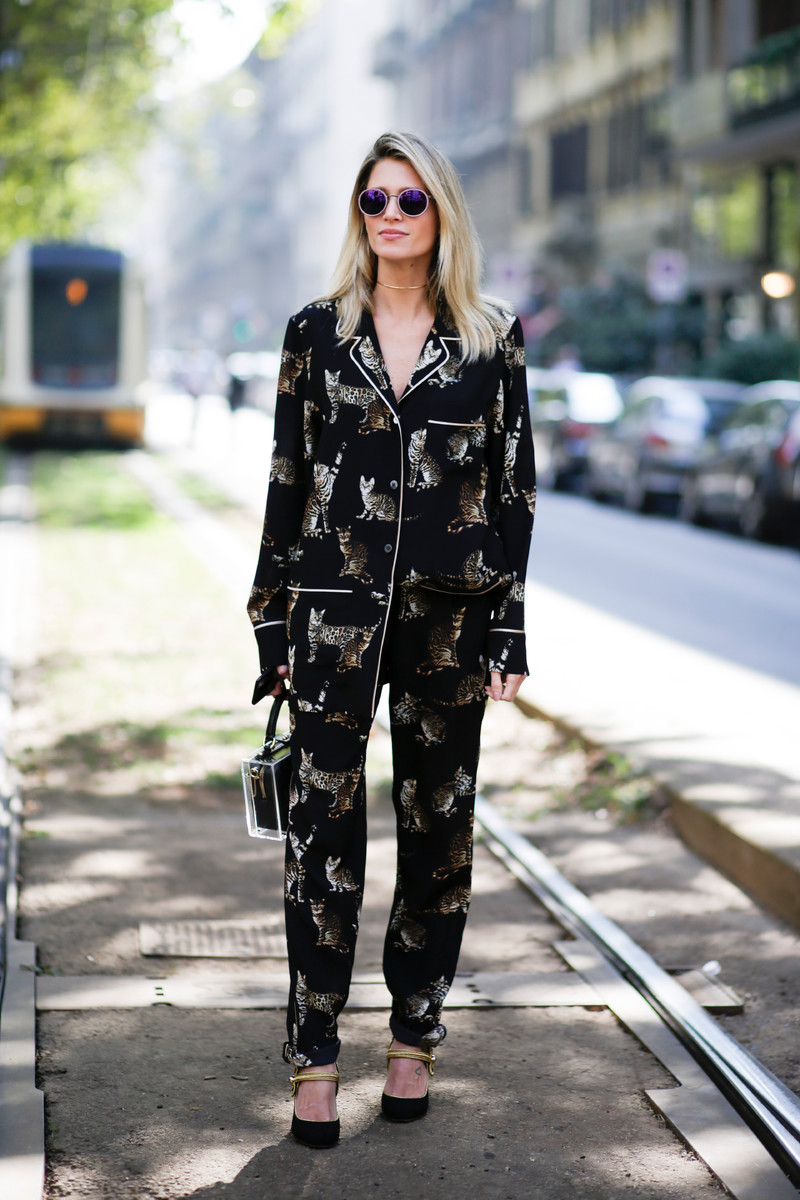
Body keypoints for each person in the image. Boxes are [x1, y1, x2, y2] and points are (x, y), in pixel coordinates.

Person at [247, 130, 535, 1147]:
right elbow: (287, 478)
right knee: (319, 836)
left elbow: (513, 490)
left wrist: (508, 627)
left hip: (450, 618)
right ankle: (314, 1057)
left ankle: (413, 1040)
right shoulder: (315, 333)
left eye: (410, 200)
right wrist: (270, 619)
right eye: (374, 200)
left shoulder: (492, 338)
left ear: (441, 211)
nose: (391, 217)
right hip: (331, 616)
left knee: (437, 833)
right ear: (357, 213)